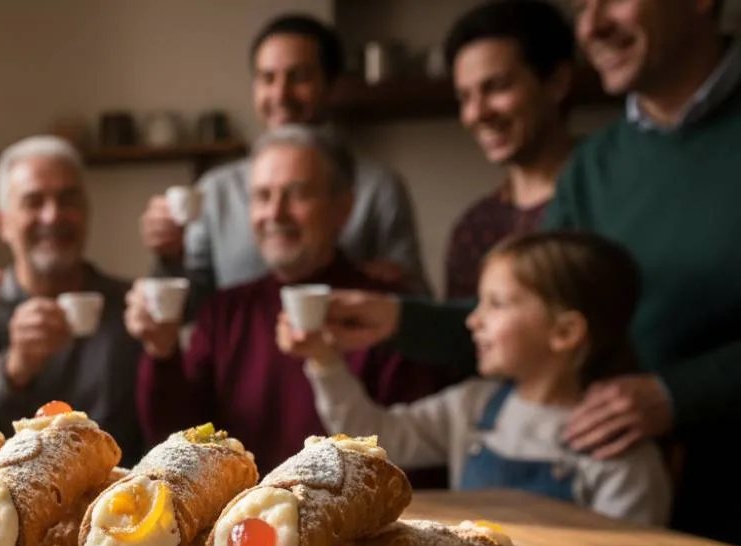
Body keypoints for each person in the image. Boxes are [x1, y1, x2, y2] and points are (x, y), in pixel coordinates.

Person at [324, 0, 741, 543]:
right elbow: (532, 309)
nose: (589, 26)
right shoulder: (598, 166)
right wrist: (396, 317)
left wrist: (677, 394)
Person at [285, 231, 670, 524]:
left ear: (565, 332)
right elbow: (372, 434)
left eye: (496, 303)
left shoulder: (621, 452)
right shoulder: (471, 406)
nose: (473, 320)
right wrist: (324, 360)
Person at [128, 125, 439, 476]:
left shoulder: (383, 313)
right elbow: (176, 444)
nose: (275, 213)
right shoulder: (224, 312)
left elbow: (409, 460)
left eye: (297, 194)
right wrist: (161, 353)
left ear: (344, 207)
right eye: (262, 196)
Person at [139, 13, 429, 305]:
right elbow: (189, 308)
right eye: (267, 78)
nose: (280, 94)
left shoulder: (378, 188)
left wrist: (361, 279)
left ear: (332, 87)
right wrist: (169, 257)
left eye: (299, 77)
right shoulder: (215, 192)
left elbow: (414, 302)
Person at [0, 136, 144, 463]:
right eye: (34, 201)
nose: (52, 216)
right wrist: (13, 368)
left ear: (86, 212)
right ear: (3, 223)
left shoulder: (129, 305)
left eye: (68, 200)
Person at [442, 0, 578, 301]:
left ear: (557, 82)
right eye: (465, 97)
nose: (477, 113)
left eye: (497, 87)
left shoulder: (608, 195)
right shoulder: (475, 229)